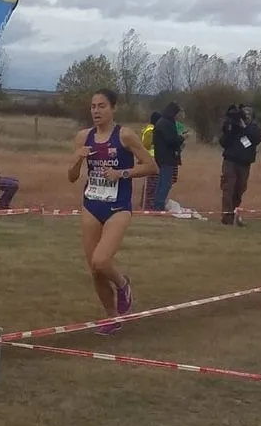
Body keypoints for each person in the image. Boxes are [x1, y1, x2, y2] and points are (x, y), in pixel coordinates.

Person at [67, 89, 156, 335]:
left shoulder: (125, 135)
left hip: (118, 206)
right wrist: (77, 159)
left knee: (101, 260)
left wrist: (122, 173)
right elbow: (71, 177)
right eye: (93, 106)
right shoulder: (83, 137)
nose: (96, 111)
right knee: (95, 270)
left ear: (113, 108)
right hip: (91, 205)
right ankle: (112, 317)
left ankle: (122, 284)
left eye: (102, 106)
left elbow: (152, 166)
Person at [219, 104, 261, 226]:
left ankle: (234, 214)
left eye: (248, 114)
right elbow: (223, 142)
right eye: (244, 114)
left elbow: (258, 138)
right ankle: (227, 216)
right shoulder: (232, 126)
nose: (246, 116)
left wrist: (244, 126)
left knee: (240, 189)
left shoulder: (253, 128)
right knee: (228, 187)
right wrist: (229, 128)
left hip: (244, 163)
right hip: (230, 161)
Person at [151, 101, 185, 211]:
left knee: (163, 181)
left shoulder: (163, 121)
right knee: (166, 182)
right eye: (178, 113)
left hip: (162, 156)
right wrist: (182, 138)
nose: (179, 115)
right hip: (166, 157)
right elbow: (171, 141)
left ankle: (157, 202)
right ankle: (159, 204)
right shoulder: (167, 123)